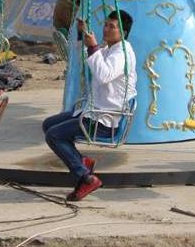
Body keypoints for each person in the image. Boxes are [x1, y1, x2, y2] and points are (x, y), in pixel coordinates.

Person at [42, 10, 137, 202]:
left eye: (112, 27)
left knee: (54, 135)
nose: (106, 29)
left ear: (123, 32)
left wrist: (93, 46)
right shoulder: (110, 48)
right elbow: (89, 58)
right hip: (93, 111)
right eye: (106, 24)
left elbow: (104, 75)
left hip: (104, 119)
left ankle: (85, 177)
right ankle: (82, 162)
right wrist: (82, 35)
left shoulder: (123, 53)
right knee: (49, 125)